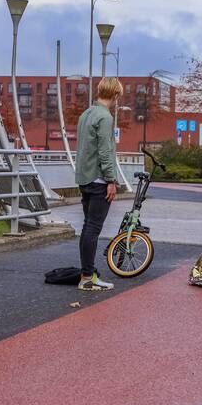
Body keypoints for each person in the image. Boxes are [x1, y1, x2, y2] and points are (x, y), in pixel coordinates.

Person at [75, 77, 124, 291]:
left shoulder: (86, 114)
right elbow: (105, 151)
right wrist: (111, 180)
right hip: (98, 180)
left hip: (84, 177)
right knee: (92, 228)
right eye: (117, 97)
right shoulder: (105, 117)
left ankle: (87, 273)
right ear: (114, 95)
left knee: (88, 227)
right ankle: (87, 277)